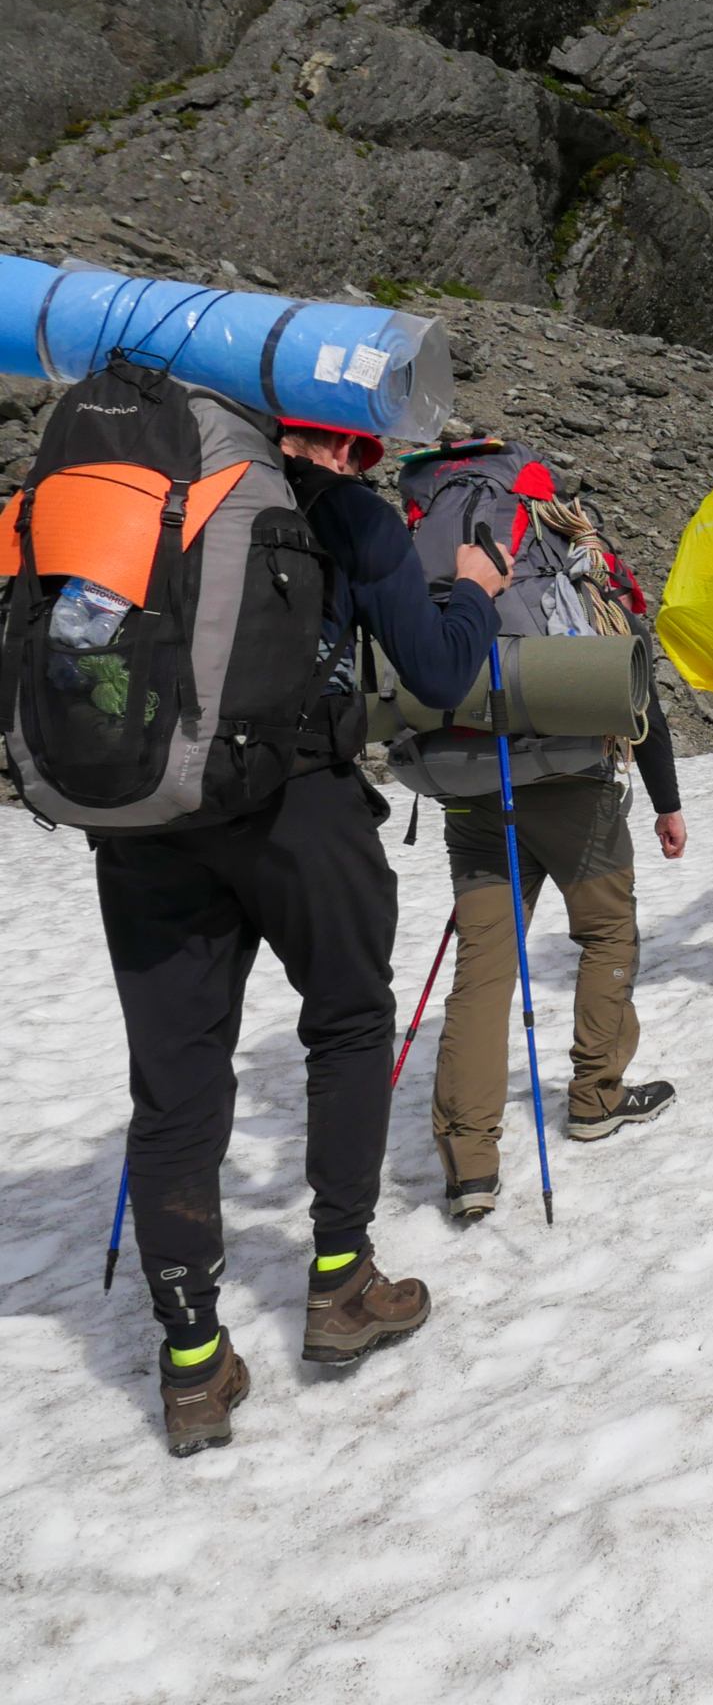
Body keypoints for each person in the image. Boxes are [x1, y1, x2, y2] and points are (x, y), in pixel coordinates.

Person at [97, 406, 504, 1457]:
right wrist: (471, 591)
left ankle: (192, 1360)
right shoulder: (349, 517)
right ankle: (341, 1286)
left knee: (175, 1080)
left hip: (148, 823)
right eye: (361, 447)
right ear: (344, 444)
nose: (362, 463)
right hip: (297, 809)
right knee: (350, 1025)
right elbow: (439, 672)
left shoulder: (155, 505)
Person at [397, 436, 688, 1223]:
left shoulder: (420, 538)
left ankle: (470, 1160)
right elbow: (632, 675)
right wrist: (666, 798)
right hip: (569, 778)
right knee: (605, 933)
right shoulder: (563, 541)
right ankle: (597, 1094)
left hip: (466, 779)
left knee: (485, 966)